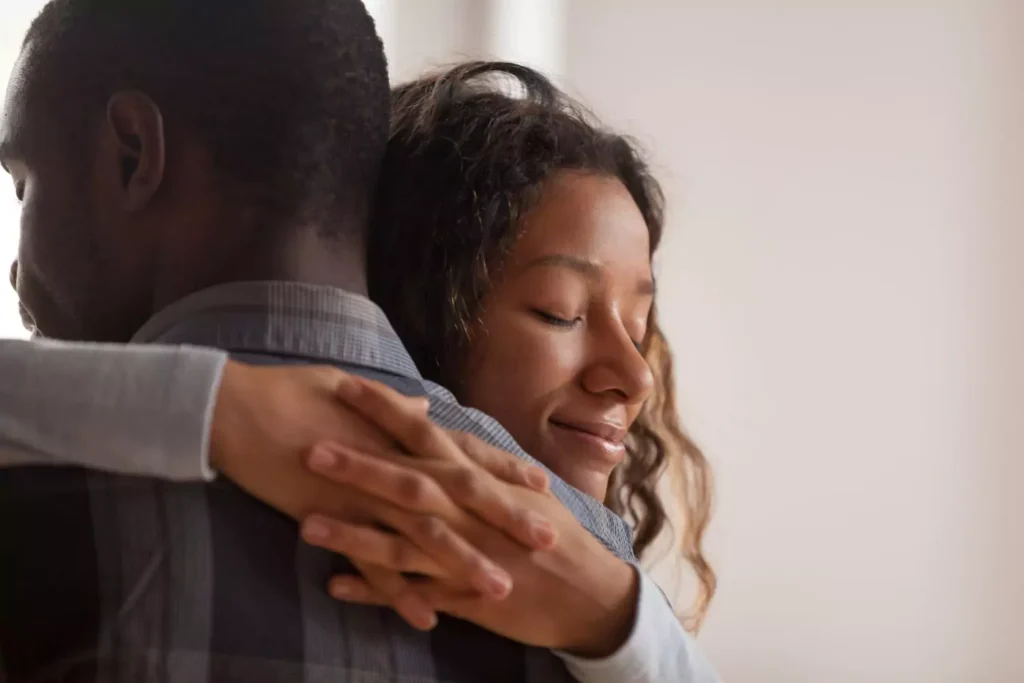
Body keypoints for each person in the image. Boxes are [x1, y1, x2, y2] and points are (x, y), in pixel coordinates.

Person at [0, 2, 716, 683]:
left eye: (24, 186)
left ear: (133, 153)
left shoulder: (40, 487)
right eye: (561, 311)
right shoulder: (586, 579)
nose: (15, 268)